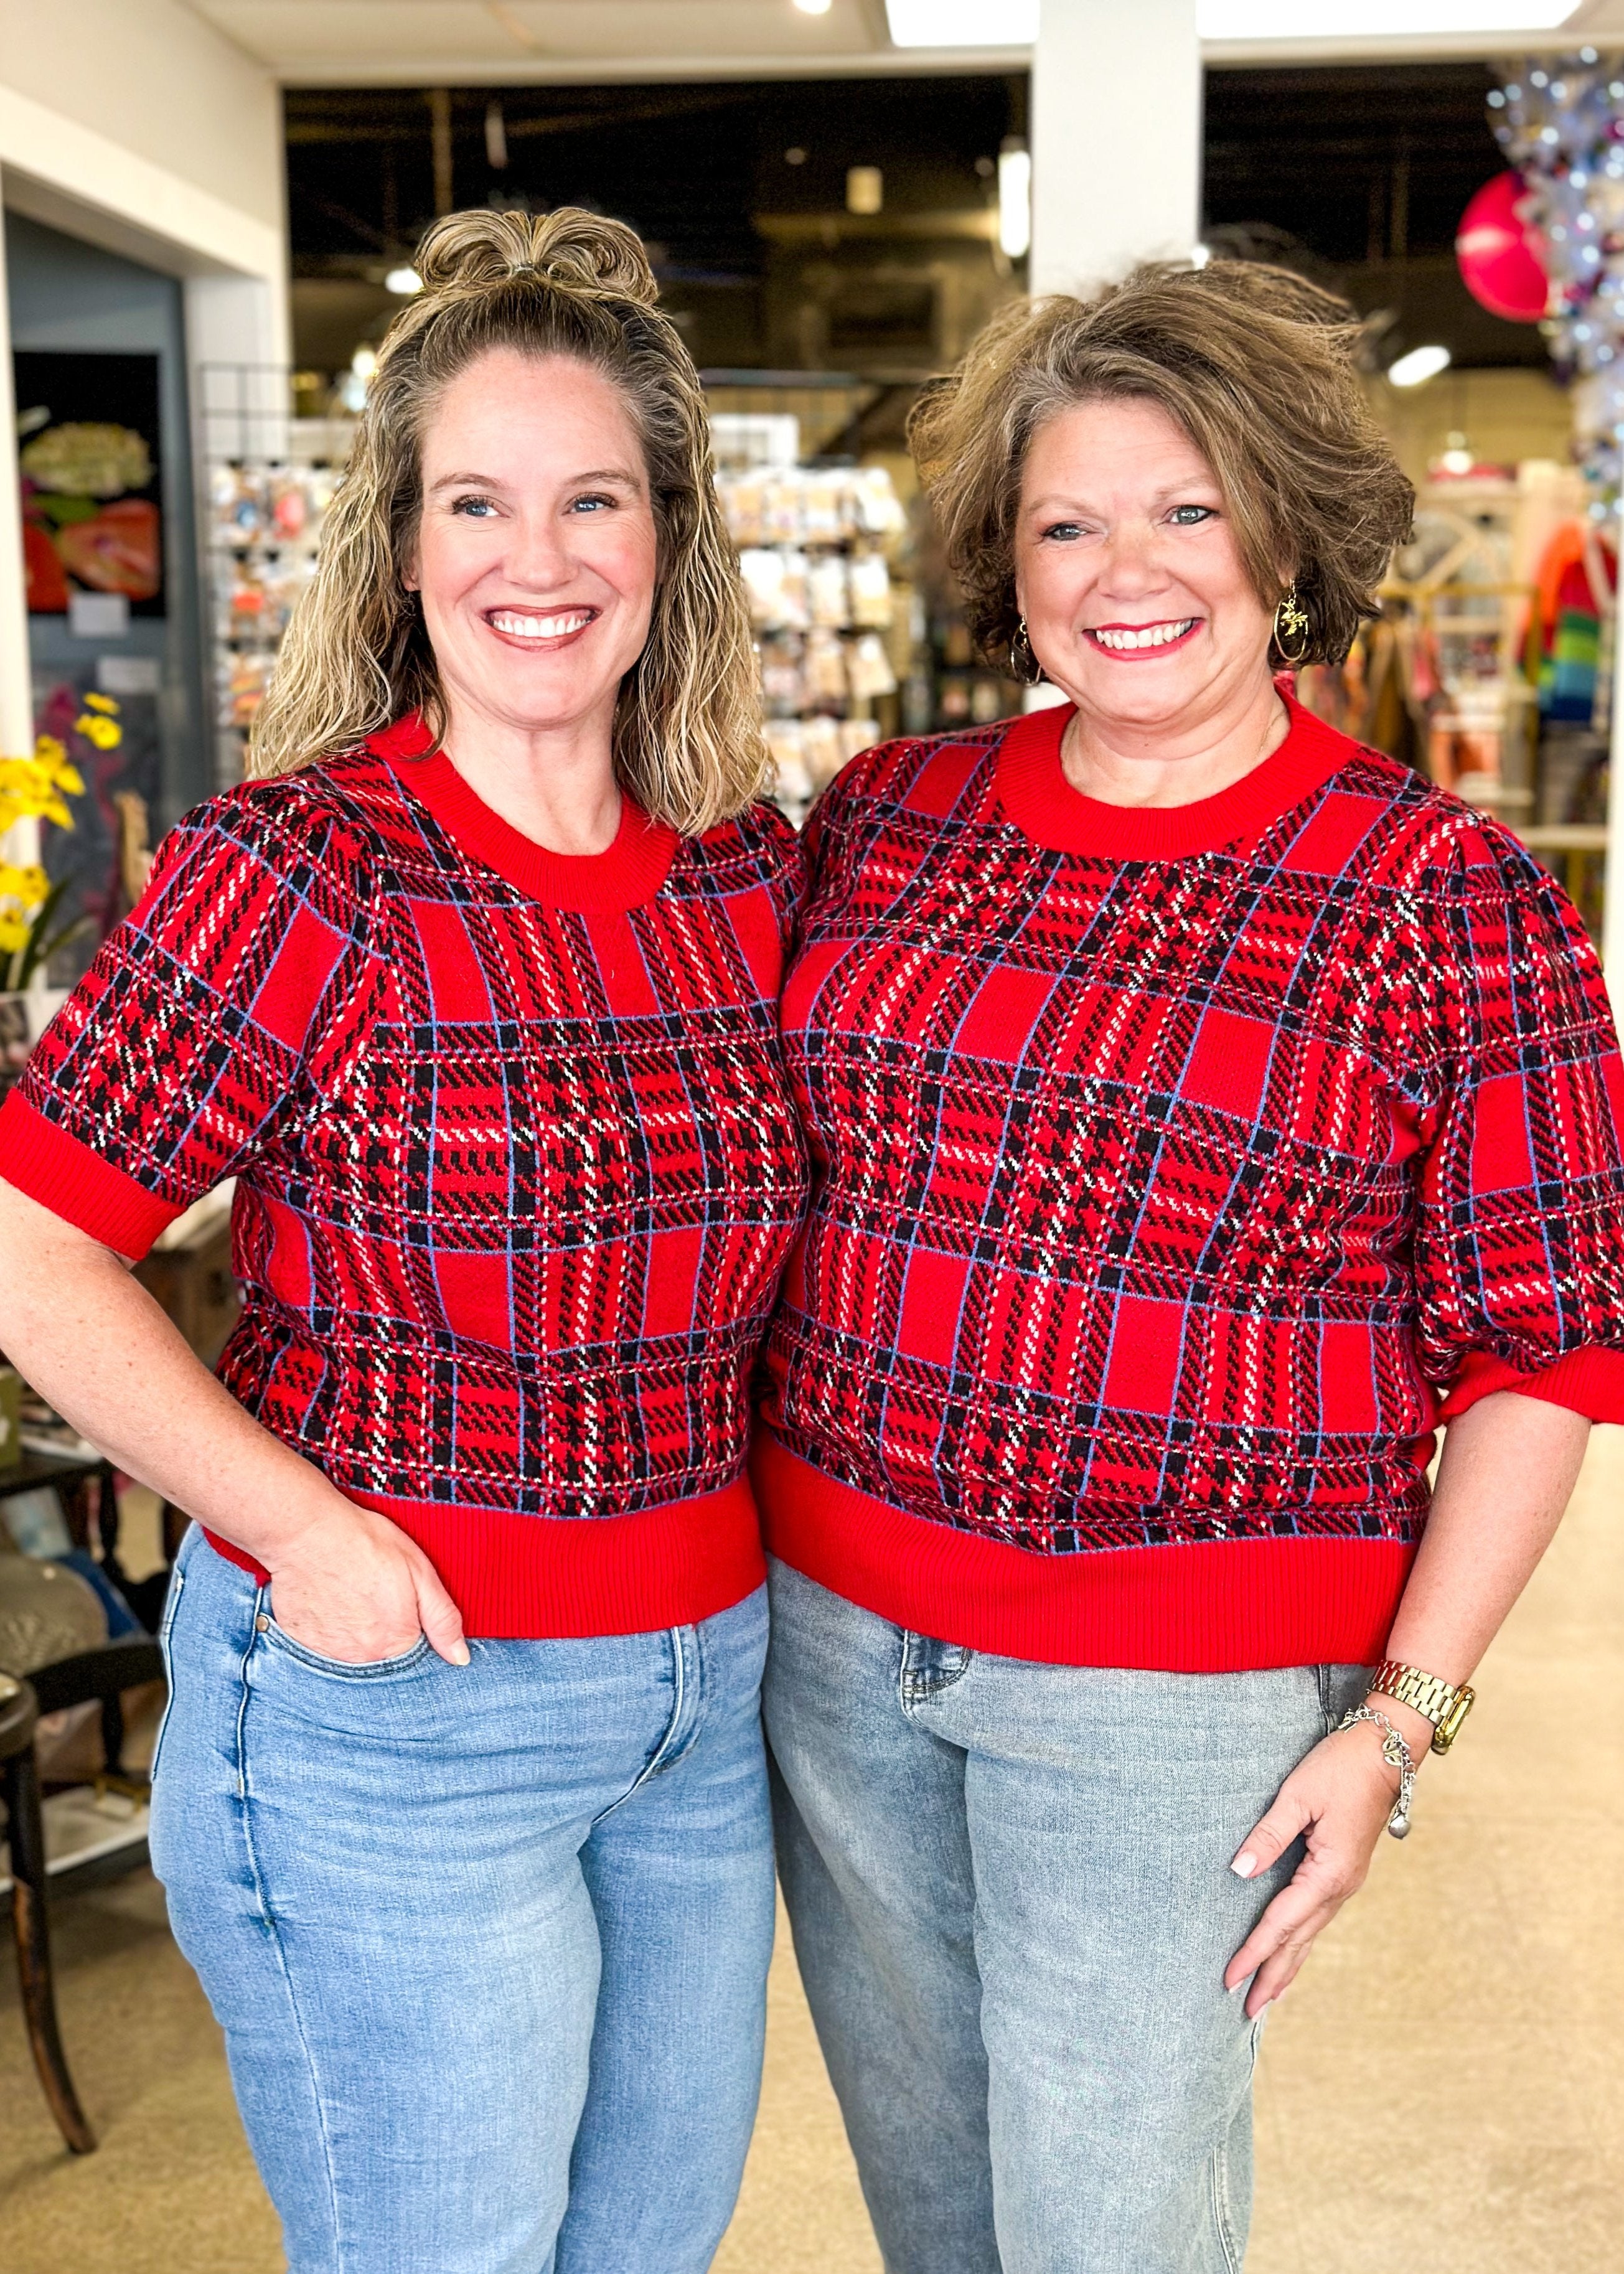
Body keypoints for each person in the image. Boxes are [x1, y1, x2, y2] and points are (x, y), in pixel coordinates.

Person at [754, 263, 1624, 2274]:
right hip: (828, 1637)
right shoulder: (889, 818)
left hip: (1175, 1688)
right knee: (937, 2207)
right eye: (1066, 519)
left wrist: (1403, 1720)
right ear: (1005, 556)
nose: (1120, 569)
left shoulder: (1438, 893)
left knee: (1107, 2233)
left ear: (1284, 538)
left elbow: (1545, 1350)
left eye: (1185, 510)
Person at [0, 207, 807, 2274]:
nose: (534, 559)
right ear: (405, 544)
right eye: (476, 500)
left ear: (667, 539)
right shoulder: (307, 870)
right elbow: (28, 1234)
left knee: (645, 2252)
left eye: (588, 499)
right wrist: (309, 1534)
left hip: (700, 1704)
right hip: (391, 1715)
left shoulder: (745, 872)